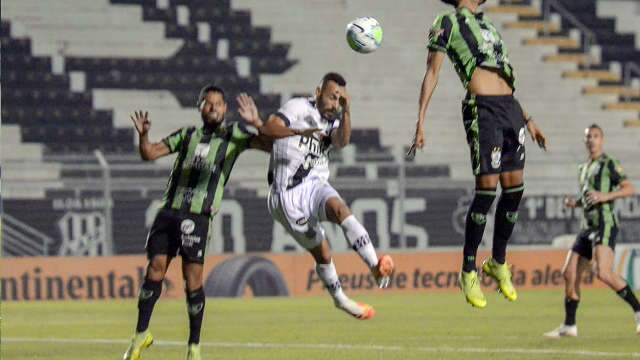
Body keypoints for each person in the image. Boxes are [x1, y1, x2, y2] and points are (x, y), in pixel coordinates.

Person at [123, 85, 301, 360]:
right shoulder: (187, 135)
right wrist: (144, 135)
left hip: (198, 217)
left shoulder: (234, 135)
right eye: (208, 103)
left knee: (191, 280)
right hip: (168, 213)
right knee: (154, 270)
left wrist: (257, 122)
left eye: (218, 104)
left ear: (225, 109)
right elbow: (149, 153)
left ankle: (194, 346)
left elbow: (270, 146)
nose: (213, 108)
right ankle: (139, 336)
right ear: (200, 107)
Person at [409, 0, 548, 308]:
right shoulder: (447, 19)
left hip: (510, 108)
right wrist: (420, 121)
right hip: (482, 109)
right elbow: (432, 72)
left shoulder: (489, 26)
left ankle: (498, 262)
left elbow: (503, 79)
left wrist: (528, 119)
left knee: (514, 189)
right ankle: (469, 270)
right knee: (486, 190)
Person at [238, 72, 395, 319]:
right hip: (286, 197)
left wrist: (347, 112)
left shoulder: (334, 120)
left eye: (340, 99)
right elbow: (269, 128)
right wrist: (299, 133)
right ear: (318, 92)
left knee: (341, 209)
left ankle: (375, 266)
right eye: (333, 97)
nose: (335, 104)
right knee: (323, 253)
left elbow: (342, 142)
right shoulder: (298, 107)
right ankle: (341, 300)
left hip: (314, 184)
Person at [544, 124, 639, 338]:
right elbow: (589, 198)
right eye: (588, 137)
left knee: (603, 272)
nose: (591, 140)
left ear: (602, 140)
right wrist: (575, 203)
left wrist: (606, 196)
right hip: (586, 226)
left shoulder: (609, 163)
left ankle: (638, 310)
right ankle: (569, 326)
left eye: (595, 136)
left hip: (605, 223)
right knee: (568, 272)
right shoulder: (583, 168)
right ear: (584, 141)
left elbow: (629, 188)